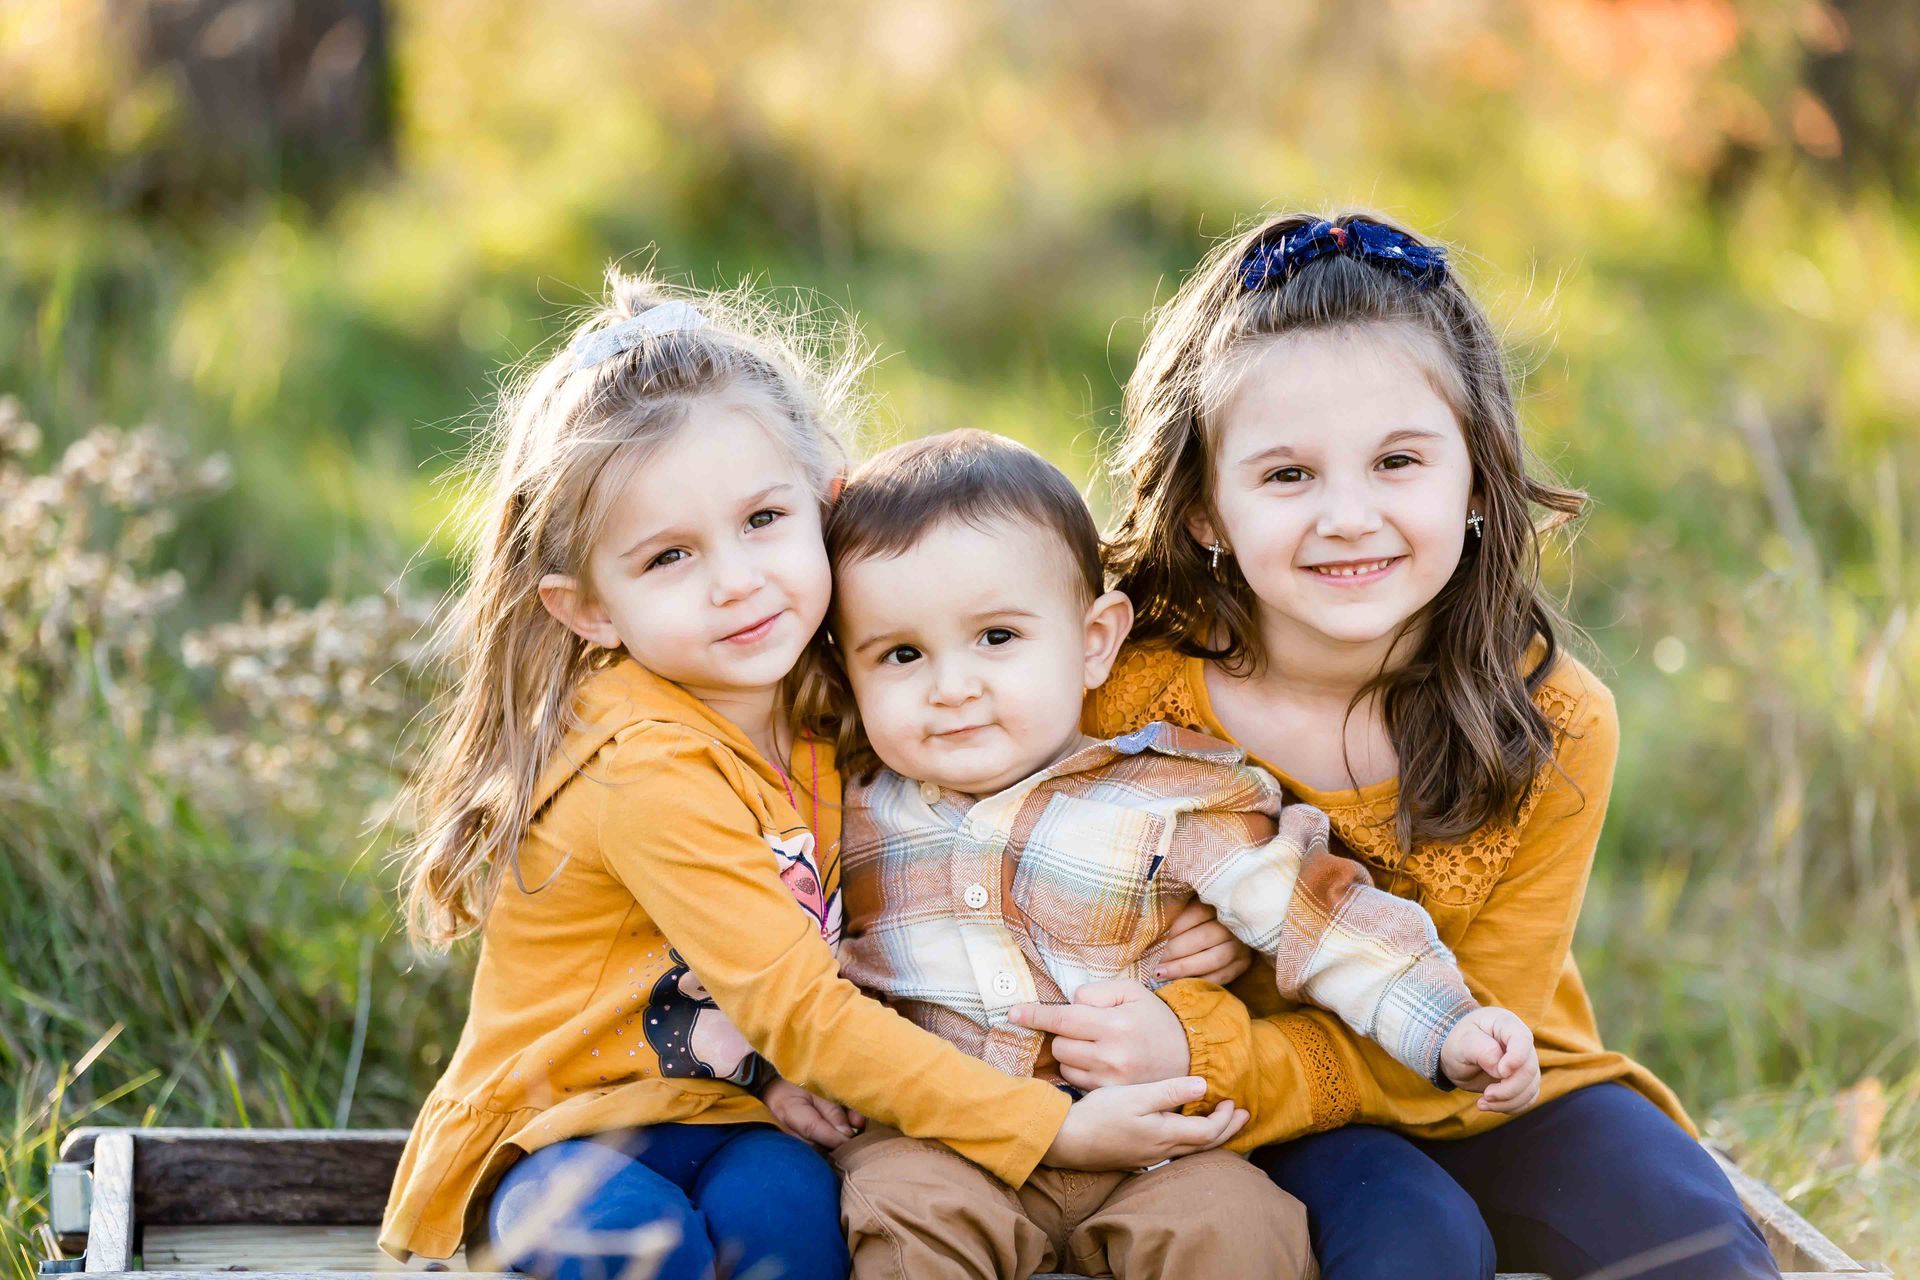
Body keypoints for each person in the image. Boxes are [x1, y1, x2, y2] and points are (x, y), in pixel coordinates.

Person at [377, 271, 1253, 1280]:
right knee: (620, 1245)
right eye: (668, 557)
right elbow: (803, 1010)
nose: (737, 578)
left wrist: (1192, 909)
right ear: (589, 610)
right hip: (567, 1129)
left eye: (762, 520)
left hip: (745, 1114)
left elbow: (996, 799)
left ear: (823, 502)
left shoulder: (826, 700)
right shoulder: (645, 766)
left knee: (795, 1226)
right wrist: (1048, 1126)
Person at [1011, 210, 1782, 1280]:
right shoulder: (1121, 680)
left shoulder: (1553, 721)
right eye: (1288, 476)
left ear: (1475, 477)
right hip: (1279, 1113)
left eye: (1397, 461)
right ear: (1203, 511)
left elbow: (1485, 1014)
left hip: (1505, 1083)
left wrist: (1213, 1036)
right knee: (1414, 1236)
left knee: (1686, 1232)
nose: (1349, 515)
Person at [808, 428, 1540, 1279]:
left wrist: (1449, 1029)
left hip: (1156, 1150)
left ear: (1094, 641)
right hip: (944, 1141)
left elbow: (1321, 917)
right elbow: (784, 960)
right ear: (847, 673)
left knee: (1237, 1228)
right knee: (900, 1217)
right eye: (902, 654)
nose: (953, 686)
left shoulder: (1171, 793)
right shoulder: (847, 808)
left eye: (998, 638)